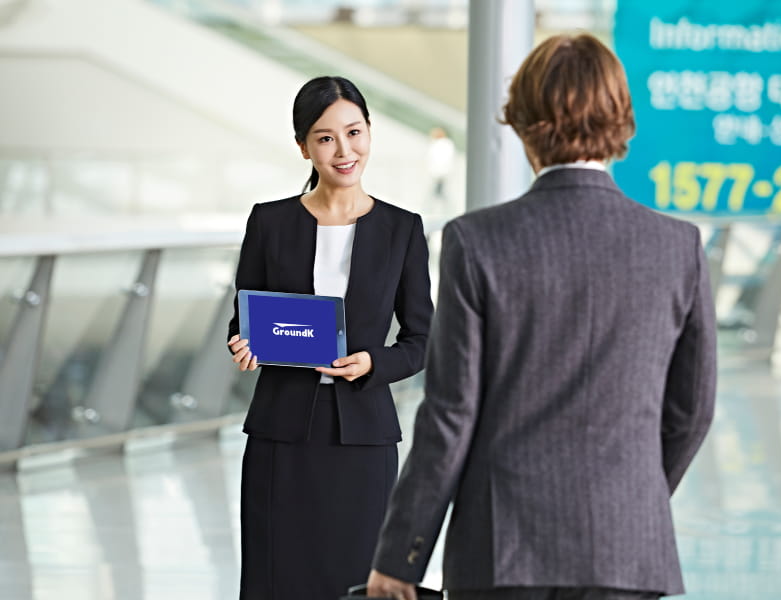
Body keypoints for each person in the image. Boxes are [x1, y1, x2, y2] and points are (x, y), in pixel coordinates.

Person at [367, 33, 717, 600]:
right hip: (627, 552)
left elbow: (450, 416)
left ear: (525, 125)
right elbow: (691, 413)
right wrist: (634, 500)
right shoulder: (677, 246)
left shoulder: (477, 242)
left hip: (502, 552)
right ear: (620, 122)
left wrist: (402, 556)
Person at [227, 75, 433, 600]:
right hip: (281, 436)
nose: (344, 151)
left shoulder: (402, 229)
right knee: (278, 577)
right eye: (325, 138)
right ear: (303, 147)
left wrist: (373, 364)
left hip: (362, 440)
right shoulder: (269, 223)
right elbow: (245, 318)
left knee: (357, 579)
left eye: (355, 132)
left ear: (369, 133)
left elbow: (422, 339)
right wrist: (242, 344)